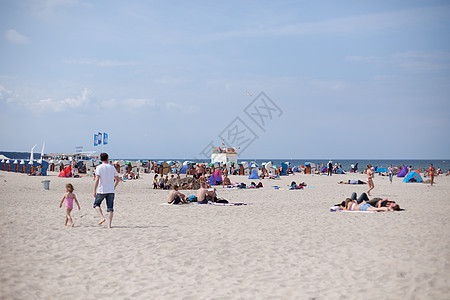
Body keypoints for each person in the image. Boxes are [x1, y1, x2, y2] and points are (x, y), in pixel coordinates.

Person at [93, 153, 120, 228]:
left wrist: (94, 190)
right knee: (110, 208)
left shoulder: (99, 167)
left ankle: (102, 217)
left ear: (100, 159)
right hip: (111, 190)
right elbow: (118, 179)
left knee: (96, 204)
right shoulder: (112, 167)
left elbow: (97, 179)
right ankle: (109, 225)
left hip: (102, 189)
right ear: (107, 158)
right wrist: (114, 187)